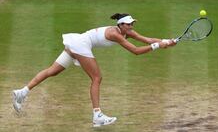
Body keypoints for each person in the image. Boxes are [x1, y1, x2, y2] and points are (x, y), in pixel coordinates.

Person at [12, 13, 176, 127]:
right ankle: (97, 115)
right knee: (97, 78)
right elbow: (136, 51)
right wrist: (156, 46)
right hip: (81, 44)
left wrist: (166, 41)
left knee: (52, 71)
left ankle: (22, 91)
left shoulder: (125, 31)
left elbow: (145, 39)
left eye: (133, 23)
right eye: (129, 24)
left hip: (78, 41)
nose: (132, 26)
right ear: (121, 25)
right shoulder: (115, 34)